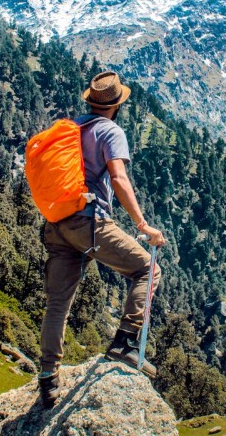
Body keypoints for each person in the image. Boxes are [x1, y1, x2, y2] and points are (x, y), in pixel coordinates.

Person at [37, 70, 165, 408]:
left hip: (57, 223)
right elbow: (119, 178)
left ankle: (48, 378)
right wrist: (143, 225)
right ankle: (124, 344)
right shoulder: (110, 130)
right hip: (89, 222)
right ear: (116, 105)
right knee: (146, 271)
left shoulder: (74, 128)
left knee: (57, 303)